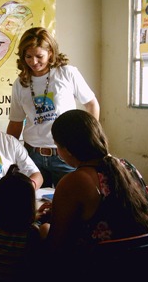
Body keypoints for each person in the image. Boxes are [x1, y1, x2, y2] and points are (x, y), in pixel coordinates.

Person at [37, 110, 148, 279]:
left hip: (100, 269)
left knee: (42, 232)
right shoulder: (126, 167)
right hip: (142, 265)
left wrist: (44, 224)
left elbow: (56, 247)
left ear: (68, 150)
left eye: (57, 146)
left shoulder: (76, 180)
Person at [7, 27, 100, 188]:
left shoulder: (67, 73)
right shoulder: (20, 83)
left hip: (65, 154)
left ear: (50, 52)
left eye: (39, 56)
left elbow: (91, 104)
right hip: (32, 155)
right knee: (32, 205)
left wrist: (88, 139)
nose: (34, 62)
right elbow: (15, 123)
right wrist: (7, 155)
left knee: (70, 203)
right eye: (28, 56)